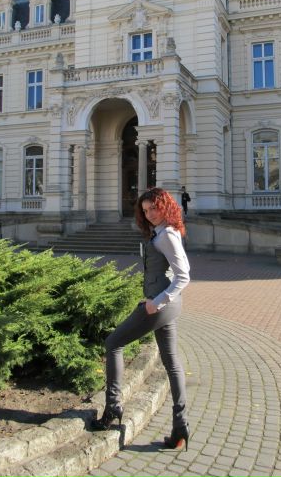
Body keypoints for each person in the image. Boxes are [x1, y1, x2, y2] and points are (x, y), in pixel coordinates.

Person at [91, 187, 190, 451]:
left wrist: (156, 303)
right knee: (172, 363)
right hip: (167, 305)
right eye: (145, 211)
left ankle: (113, 407)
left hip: (160, 306)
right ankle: (180, 427)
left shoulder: (167, 235)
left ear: (165, 206)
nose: (150, 214)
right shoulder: (164, 232)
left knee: (113, 343)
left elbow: (184, 275)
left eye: (154, 208)